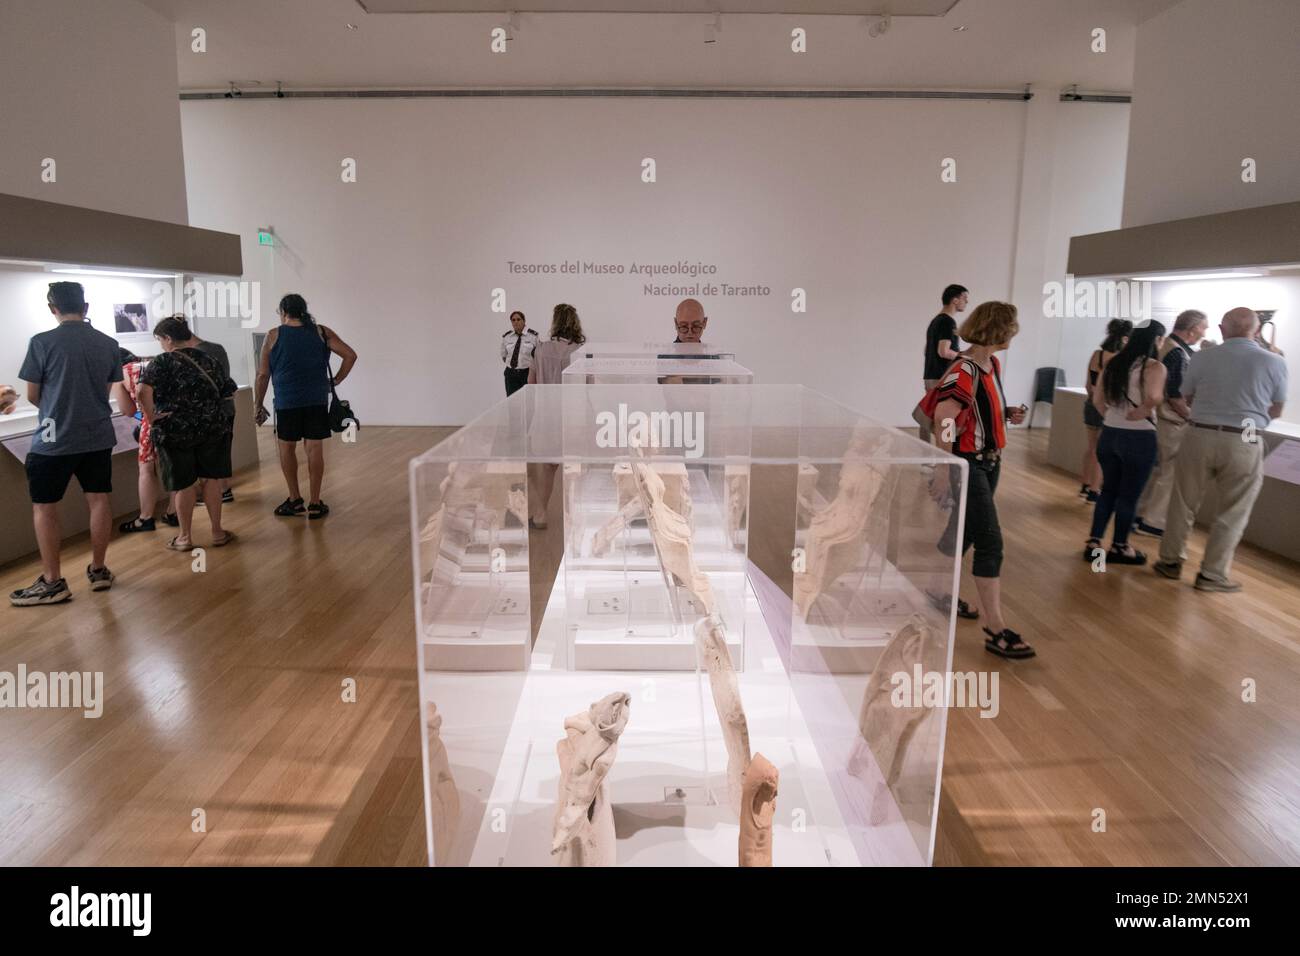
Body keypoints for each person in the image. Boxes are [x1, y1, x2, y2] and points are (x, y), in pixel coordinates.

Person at [11, 282, 128, 605]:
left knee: (45, 506)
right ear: (85, 307)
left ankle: (52, 581)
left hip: (53, 438)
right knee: (99, 499)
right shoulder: (107, 343)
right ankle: (99, 569)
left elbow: (33, 395)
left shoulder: (42, 342)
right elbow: (106, 389)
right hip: (97, 434)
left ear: (53, 308)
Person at [1154, 307, 1288, 592]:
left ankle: (1169, 562)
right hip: (1246, 435)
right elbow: (1276, 408)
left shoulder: (1202, 357)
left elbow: (1186, 396)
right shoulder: (1274, 361)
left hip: (1199, 433)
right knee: (1234, 510)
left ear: (1222, 329)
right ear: (1255, 330)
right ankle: (1212, 575)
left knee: (1183, 502)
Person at [929, 301, 1033, 659]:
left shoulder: (991, 364)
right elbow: (944, 416)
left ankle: (939, 590)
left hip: (990, 461)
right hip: (968, 463)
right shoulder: (966, 369)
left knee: (966, 530)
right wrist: (944, 469)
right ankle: (996, 626)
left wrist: (1006, 414)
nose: (1014, 333)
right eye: (1011, 327)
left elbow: (978, 410)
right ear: (999, 329)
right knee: (991, 541)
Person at [138, 316, 238, 551]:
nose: (161, 344)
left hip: (175, 431)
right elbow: (229, 391)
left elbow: (142, 391)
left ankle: (184, 537)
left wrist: (151, 417)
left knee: (183, 484)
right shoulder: (209, 359)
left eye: (161, 339)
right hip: (212, 428)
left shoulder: (161, 362)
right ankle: (217, 532)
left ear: (168, 338)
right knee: (211, 480)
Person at [254, 294, 357, 520]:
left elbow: (263, 374)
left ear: (283, 312)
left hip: (286, 401)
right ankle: (316, 502)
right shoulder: (321, 332)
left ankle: (294, 499)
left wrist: (258, 404)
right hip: (316, 399)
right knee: (314, 448)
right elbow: (350, 355)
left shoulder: (273, 335)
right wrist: (336, 380)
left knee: (286, 448)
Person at [1084, 321, 1167, 566]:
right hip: (1139, 436)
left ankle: (1094, 543)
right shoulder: (1154, 367)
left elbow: (1097, 399)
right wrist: (1142, 411)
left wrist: (1114, 416)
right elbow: (1154, 397)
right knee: (1129, 496)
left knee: (1108, 491)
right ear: (1156, 340)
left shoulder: (1114, 362)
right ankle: (1120, 546)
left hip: (1110, 433)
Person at [1133, 310, 1208, 536]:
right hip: (1170, 421)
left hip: (1156, 418)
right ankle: (1153, 522)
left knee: (1156, 471)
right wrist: (1190, 416)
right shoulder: (1176, 352)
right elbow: (1174, 394)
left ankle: (1139, 515)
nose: (1204, 333)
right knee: (1170, 472)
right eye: (1204, 328)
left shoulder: (1165, 346)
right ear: (1193, 329)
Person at [527, 303, 586, 529]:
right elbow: (590, 387)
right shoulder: (581, 352)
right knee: (574, 471)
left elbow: (530, 385)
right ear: (574, 322)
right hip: (574, 421)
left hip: (546, 420)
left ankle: (541, 514)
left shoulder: (540, 350)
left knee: (548, 469)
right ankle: (575, 521)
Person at [1079, 319, 1132, 502]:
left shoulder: (1097, 354)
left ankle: (1085, 485)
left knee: (1091, 447)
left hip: (1090, 404)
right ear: (1126, 338)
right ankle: (1095, 490)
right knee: (1103, 452)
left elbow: (1088, 385)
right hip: (1106, 407)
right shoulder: (1118, 359)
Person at [117, 350, 170, 533]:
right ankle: (174, 512)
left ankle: (146, 517)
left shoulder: (121, 373)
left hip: (152, 422)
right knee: (177, 466)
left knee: (147, 469)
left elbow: (128, 410)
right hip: (177, 419)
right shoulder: (155, 364)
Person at [190, 327, 236, 504]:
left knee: (209, 455)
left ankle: (216, 492)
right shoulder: (217, 348)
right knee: (222, 451)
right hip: (226, 407)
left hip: (210, 410)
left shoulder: (195, 354)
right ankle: (224, 489)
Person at [917, 284, 968, 443]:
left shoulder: (935, 322)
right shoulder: (948, 322)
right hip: (941, 376)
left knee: (928, 414)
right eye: (964, 299)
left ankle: (926, 458)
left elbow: (927, 350)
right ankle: (945, 455)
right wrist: (963, 357)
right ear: (955, 300)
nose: (967, 302)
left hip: (931, 374)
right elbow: (943, 351)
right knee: (944, 416)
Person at [500, 311, 539, 396]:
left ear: (524, 321)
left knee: (529, 399)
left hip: (527, 373)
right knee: (511, 400)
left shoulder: (533, 336)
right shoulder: (507, 337)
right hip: (511, 373)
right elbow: (504, 356)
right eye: (513, 320)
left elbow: (537, 355)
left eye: (518, 319)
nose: (516, 322)